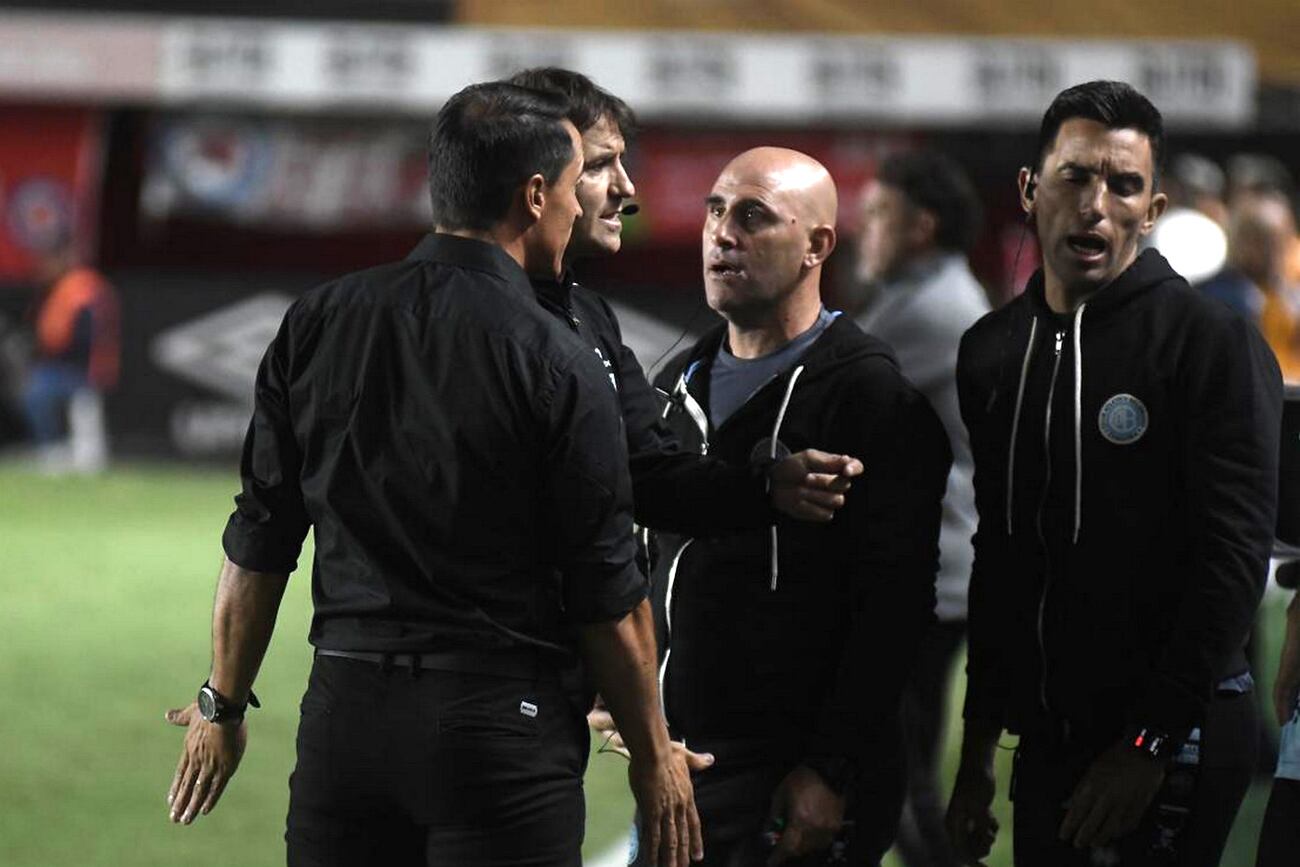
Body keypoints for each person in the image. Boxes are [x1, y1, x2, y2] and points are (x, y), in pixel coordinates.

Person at [162, 81, 701, 867]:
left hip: (343, 721)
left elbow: (260, 538)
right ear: (536, 194)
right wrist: (654, 758)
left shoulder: (317, 319)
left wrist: (223, 700)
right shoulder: (556, 356)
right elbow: (607, 591)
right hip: (498, 733)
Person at [947, 80, 1281, 867]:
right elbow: (1002, 554)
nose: (1097, 203)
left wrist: (1151, 739)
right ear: (1032, 190)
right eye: (1076, 176)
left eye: (1124, 184)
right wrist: (976, 753)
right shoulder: (993, 351)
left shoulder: (1209, 343)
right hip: (1052, 735)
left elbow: (1231, 561)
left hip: (1177, 737)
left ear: (1153, 208)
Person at [613, 146, 950, 866]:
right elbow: (648, 558)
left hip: (789, 780)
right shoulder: (677, 384)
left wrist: (831, 770)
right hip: (684, 768)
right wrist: (618, 688)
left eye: (753, 217)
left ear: (817, 246)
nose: (720, 233)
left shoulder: (870, 400)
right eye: (713, 210)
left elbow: (892, 611)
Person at [509, 66, 864, 537]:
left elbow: (648, 477)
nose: (626, 187)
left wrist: (766, 487)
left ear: (819, 247)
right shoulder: (447, 316)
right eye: (598, 166)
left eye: (753, 215)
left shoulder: (591, 319)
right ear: (536, 182)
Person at [853, 149, 989, 867]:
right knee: (901, 767)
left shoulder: (932, 310)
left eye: (878, 214)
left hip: (931, 576)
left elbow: (823, 392)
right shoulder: (929, 293)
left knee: (898, 776)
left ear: (921, 226)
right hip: (940, 569)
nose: (861, 229)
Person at [22, 234, 118, 472]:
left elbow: (90, 334)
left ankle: (76, 454)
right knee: (34, 391)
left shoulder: (83, 287)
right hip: (59, 364)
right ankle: (53, 450)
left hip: (82, 366)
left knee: (46, 393)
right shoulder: (55, 287)